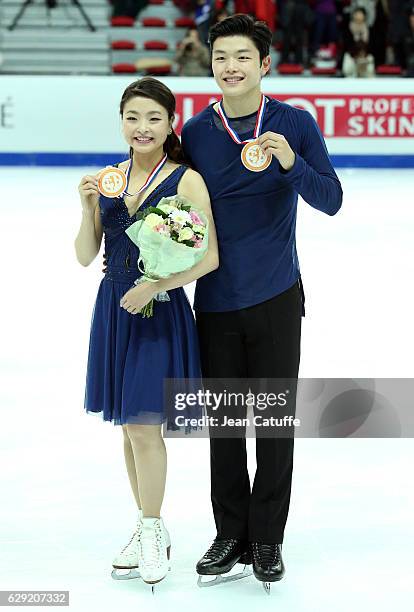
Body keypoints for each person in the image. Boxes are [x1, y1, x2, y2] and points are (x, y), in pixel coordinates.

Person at [180, 14, 343, 589]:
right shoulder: (196, 132)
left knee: (273, 426)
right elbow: (172, 210)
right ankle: (230, 535)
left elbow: (331, 199)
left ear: (264, 63)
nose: (231, 66)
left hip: (277, 296)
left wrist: (291, 164)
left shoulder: (294, 123)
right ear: (211, 64)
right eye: (221, 56)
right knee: (224, 427)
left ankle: (267, 538)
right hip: (216, 301)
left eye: (242, 56)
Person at [74, 77, 219, 588]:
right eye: (133, 117)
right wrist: (88, 206)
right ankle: (145, 524)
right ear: (122, 121)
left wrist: (157, 284)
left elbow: (210, 257)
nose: (142, 127)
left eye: (154, 118)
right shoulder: (111, 178)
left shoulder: (185, 180)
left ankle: (153, 529)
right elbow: (86, 254)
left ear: (171, 123)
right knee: (128, 428)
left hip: (158, 312)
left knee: (142, 425)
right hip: (114, 310)